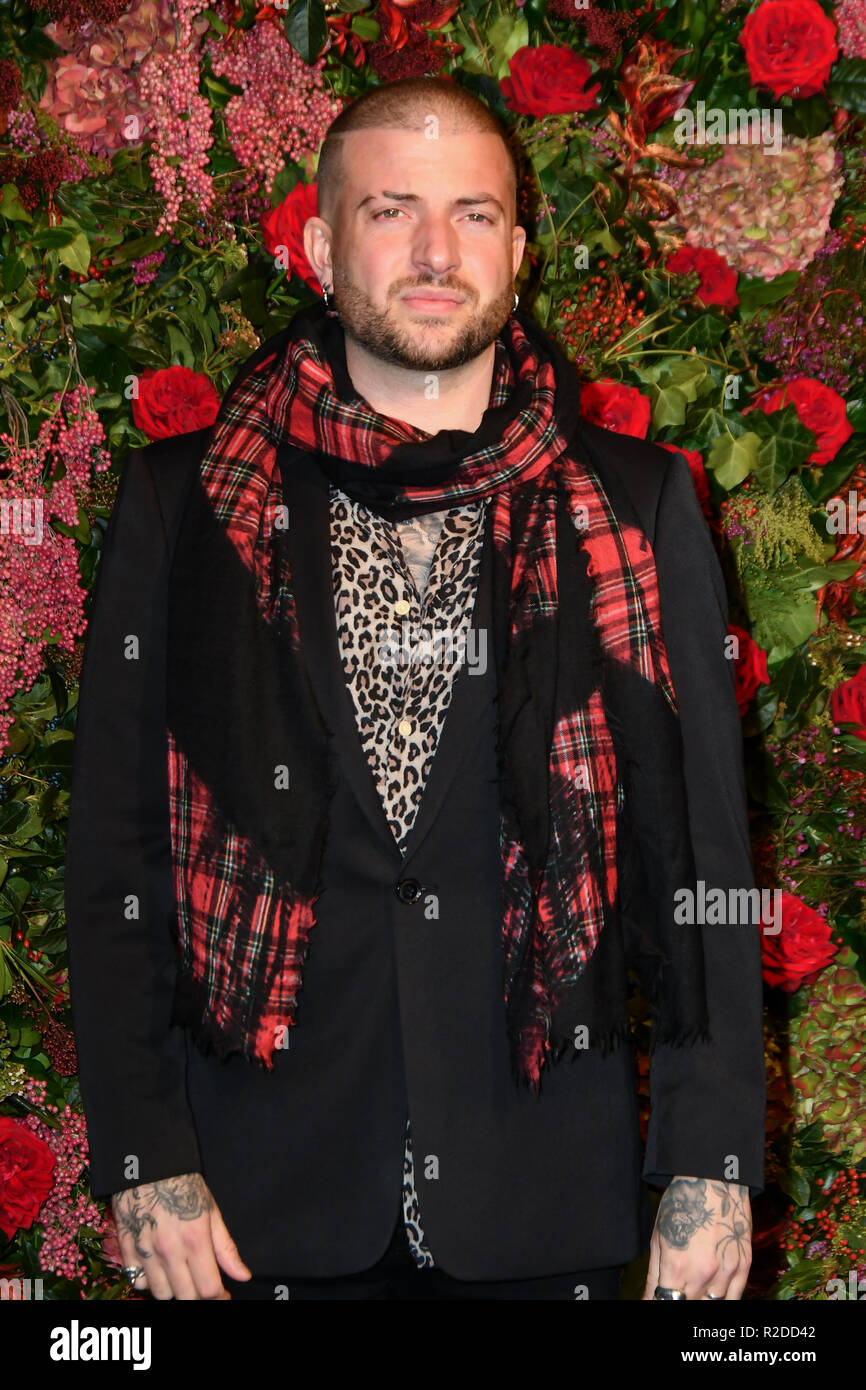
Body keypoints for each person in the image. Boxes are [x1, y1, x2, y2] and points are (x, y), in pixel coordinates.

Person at [64, 76, 765, 1302]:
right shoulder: (184, 507)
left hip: (543, 1203)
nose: (436, 251)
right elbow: (116, 860)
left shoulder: (636, 503)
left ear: (518, 251)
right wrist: (144, 1157)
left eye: (474, 215)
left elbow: (703, 862)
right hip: (253, 1210)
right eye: (392, 211)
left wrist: (709, 1167)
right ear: (323, 246)